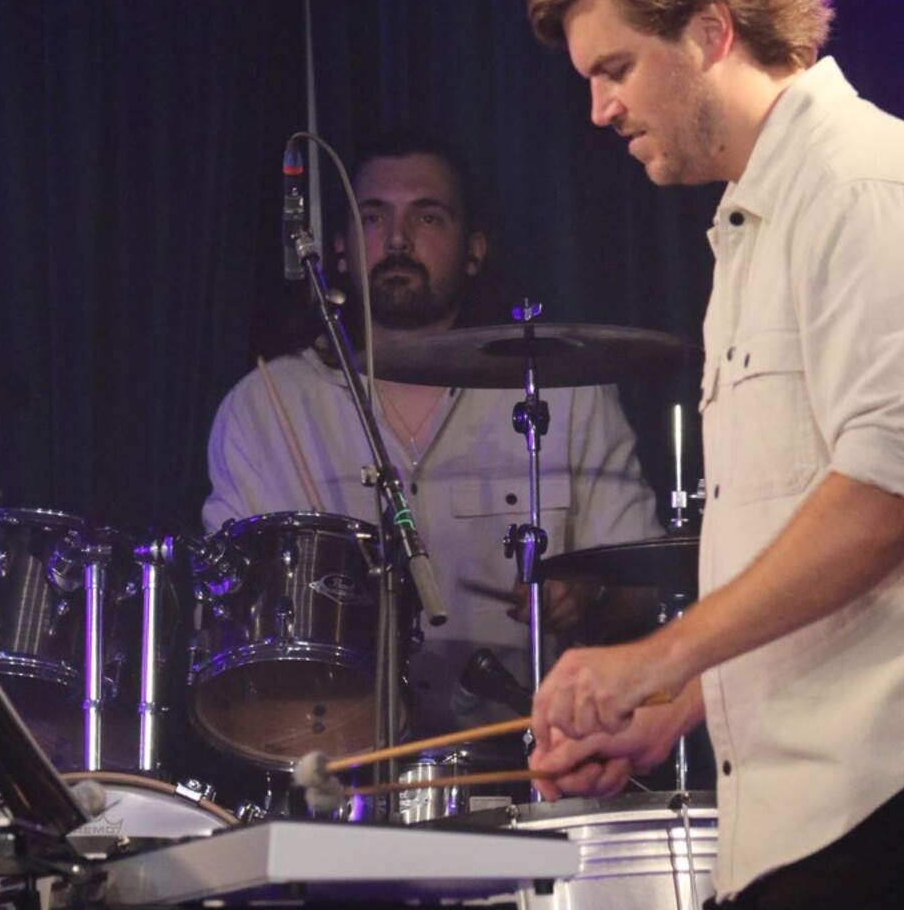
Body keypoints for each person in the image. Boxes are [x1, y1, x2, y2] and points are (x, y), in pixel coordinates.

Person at [525, 0, 904, 910]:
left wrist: (660, 652)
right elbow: (799, 529)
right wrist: (676, 708)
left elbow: (896, 488)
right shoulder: (755, 222)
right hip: (783, 840)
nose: (600, 110)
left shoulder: (868, 185)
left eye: (615, 69)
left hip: (895, 823)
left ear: (710, 31)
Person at [203, 131, 663, 744]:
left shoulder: (565, 392)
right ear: (338, 248)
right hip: (331, 765)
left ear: (474, 249)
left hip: (529, 763)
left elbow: (643, 591)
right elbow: (227, 617)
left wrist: (590, 592)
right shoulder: (264, 407)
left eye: (428, 217)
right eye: (373, 217)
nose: (397, 240)